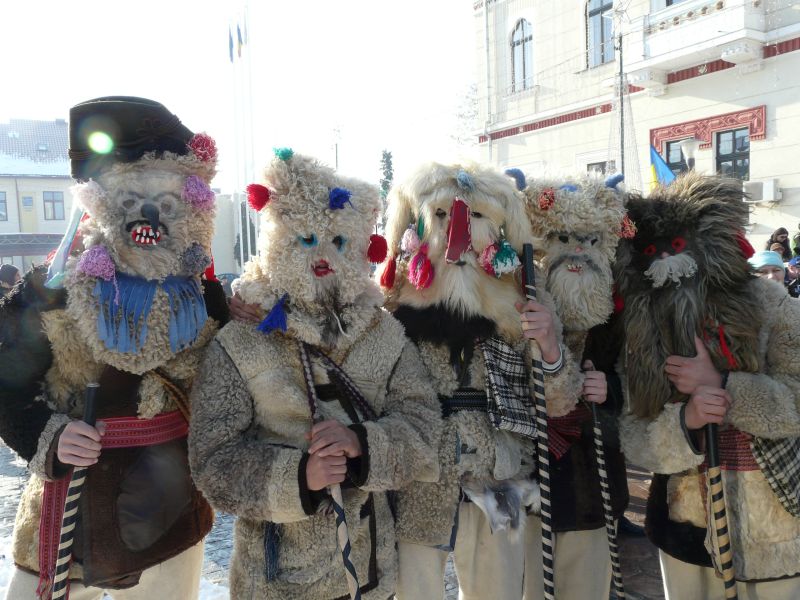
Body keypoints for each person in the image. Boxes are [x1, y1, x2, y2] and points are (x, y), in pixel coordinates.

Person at [0, 97, 229, 600]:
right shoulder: (50, 290)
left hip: (168, 513)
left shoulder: (207, 299)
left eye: (166, 199)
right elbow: (7, 385)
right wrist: (49, 438)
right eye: (131, 196)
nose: (149, 214)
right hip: (69, 504)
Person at [188, 149, 441, 600]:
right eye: (306, 240)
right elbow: (213, 460)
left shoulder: (385, 334)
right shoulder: (241, 341)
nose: (323, 257)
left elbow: (423, 427)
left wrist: (362, 445)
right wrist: (299, 476)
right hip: (276, 579)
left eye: (338, 243)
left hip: (370, 573)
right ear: (279, 242)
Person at [377, 161, 583, 600]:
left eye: (474, 217)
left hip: (499, 475)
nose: (459, 235)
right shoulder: (391, 303)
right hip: (420, 482)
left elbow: (559, 401)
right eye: (443, 217)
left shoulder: (527, 300)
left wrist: (549, 348)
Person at [616, 172, 800, 599]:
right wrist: (687, 420)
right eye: (651, 250)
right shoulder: (642, 330)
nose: (664, 259)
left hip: (774, 529)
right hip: (686, 528)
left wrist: (723, 385)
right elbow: (635, 433)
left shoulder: (770, 305)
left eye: (676, 246)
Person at [520, 173, 632, 599]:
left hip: (594, 494)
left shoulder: (617, 315)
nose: (578, 251)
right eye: (565, 237)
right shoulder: (522, 305)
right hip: (532, 489)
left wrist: (614, 388)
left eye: (588, 239)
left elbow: (643, 391)